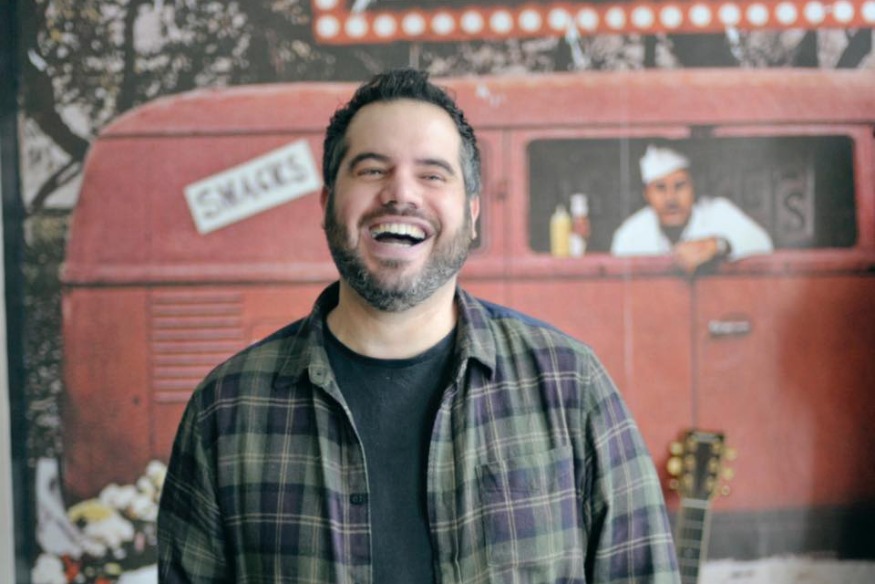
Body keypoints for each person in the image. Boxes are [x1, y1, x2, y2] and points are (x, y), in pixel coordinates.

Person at [158, 69, 680, 583]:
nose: (400, 194)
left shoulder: (571, 385)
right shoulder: (225, 409)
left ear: (472, 214)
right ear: (326, 205)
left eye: (432, 174)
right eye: (371, 170)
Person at [611, 144, 774, 273]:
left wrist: (718, 245)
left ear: (693, 187)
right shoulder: (630, 233)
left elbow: (763, 246)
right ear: (646, 194)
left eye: (680, 186)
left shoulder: (718, 212)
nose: (671, 199)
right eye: (660, 188)